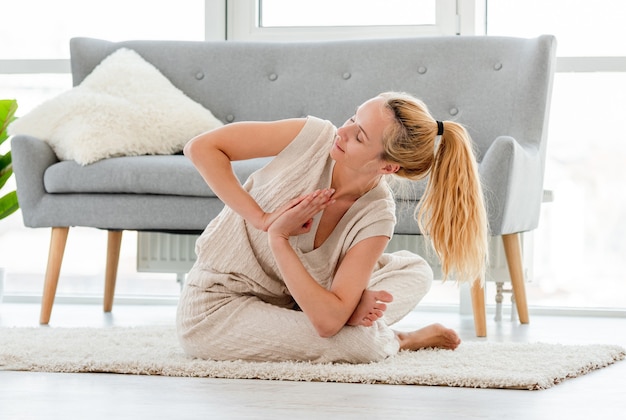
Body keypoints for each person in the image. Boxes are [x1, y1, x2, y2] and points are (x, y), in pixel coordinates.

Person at [176, 91, 488, 363]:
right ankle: (400, 339)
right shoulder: (313, 136)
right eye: (353, 117)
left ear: (388, 167)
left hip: (299, 306)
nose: (343, 130)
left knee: (416, 271)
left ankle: (344, 310)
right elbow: (201, 147)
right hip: (217, 308)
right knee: (359, 344)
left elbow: (326, 323)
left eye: (360, 136)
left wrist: (282, 241)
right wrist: (266, 222)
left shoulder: (377, 213)